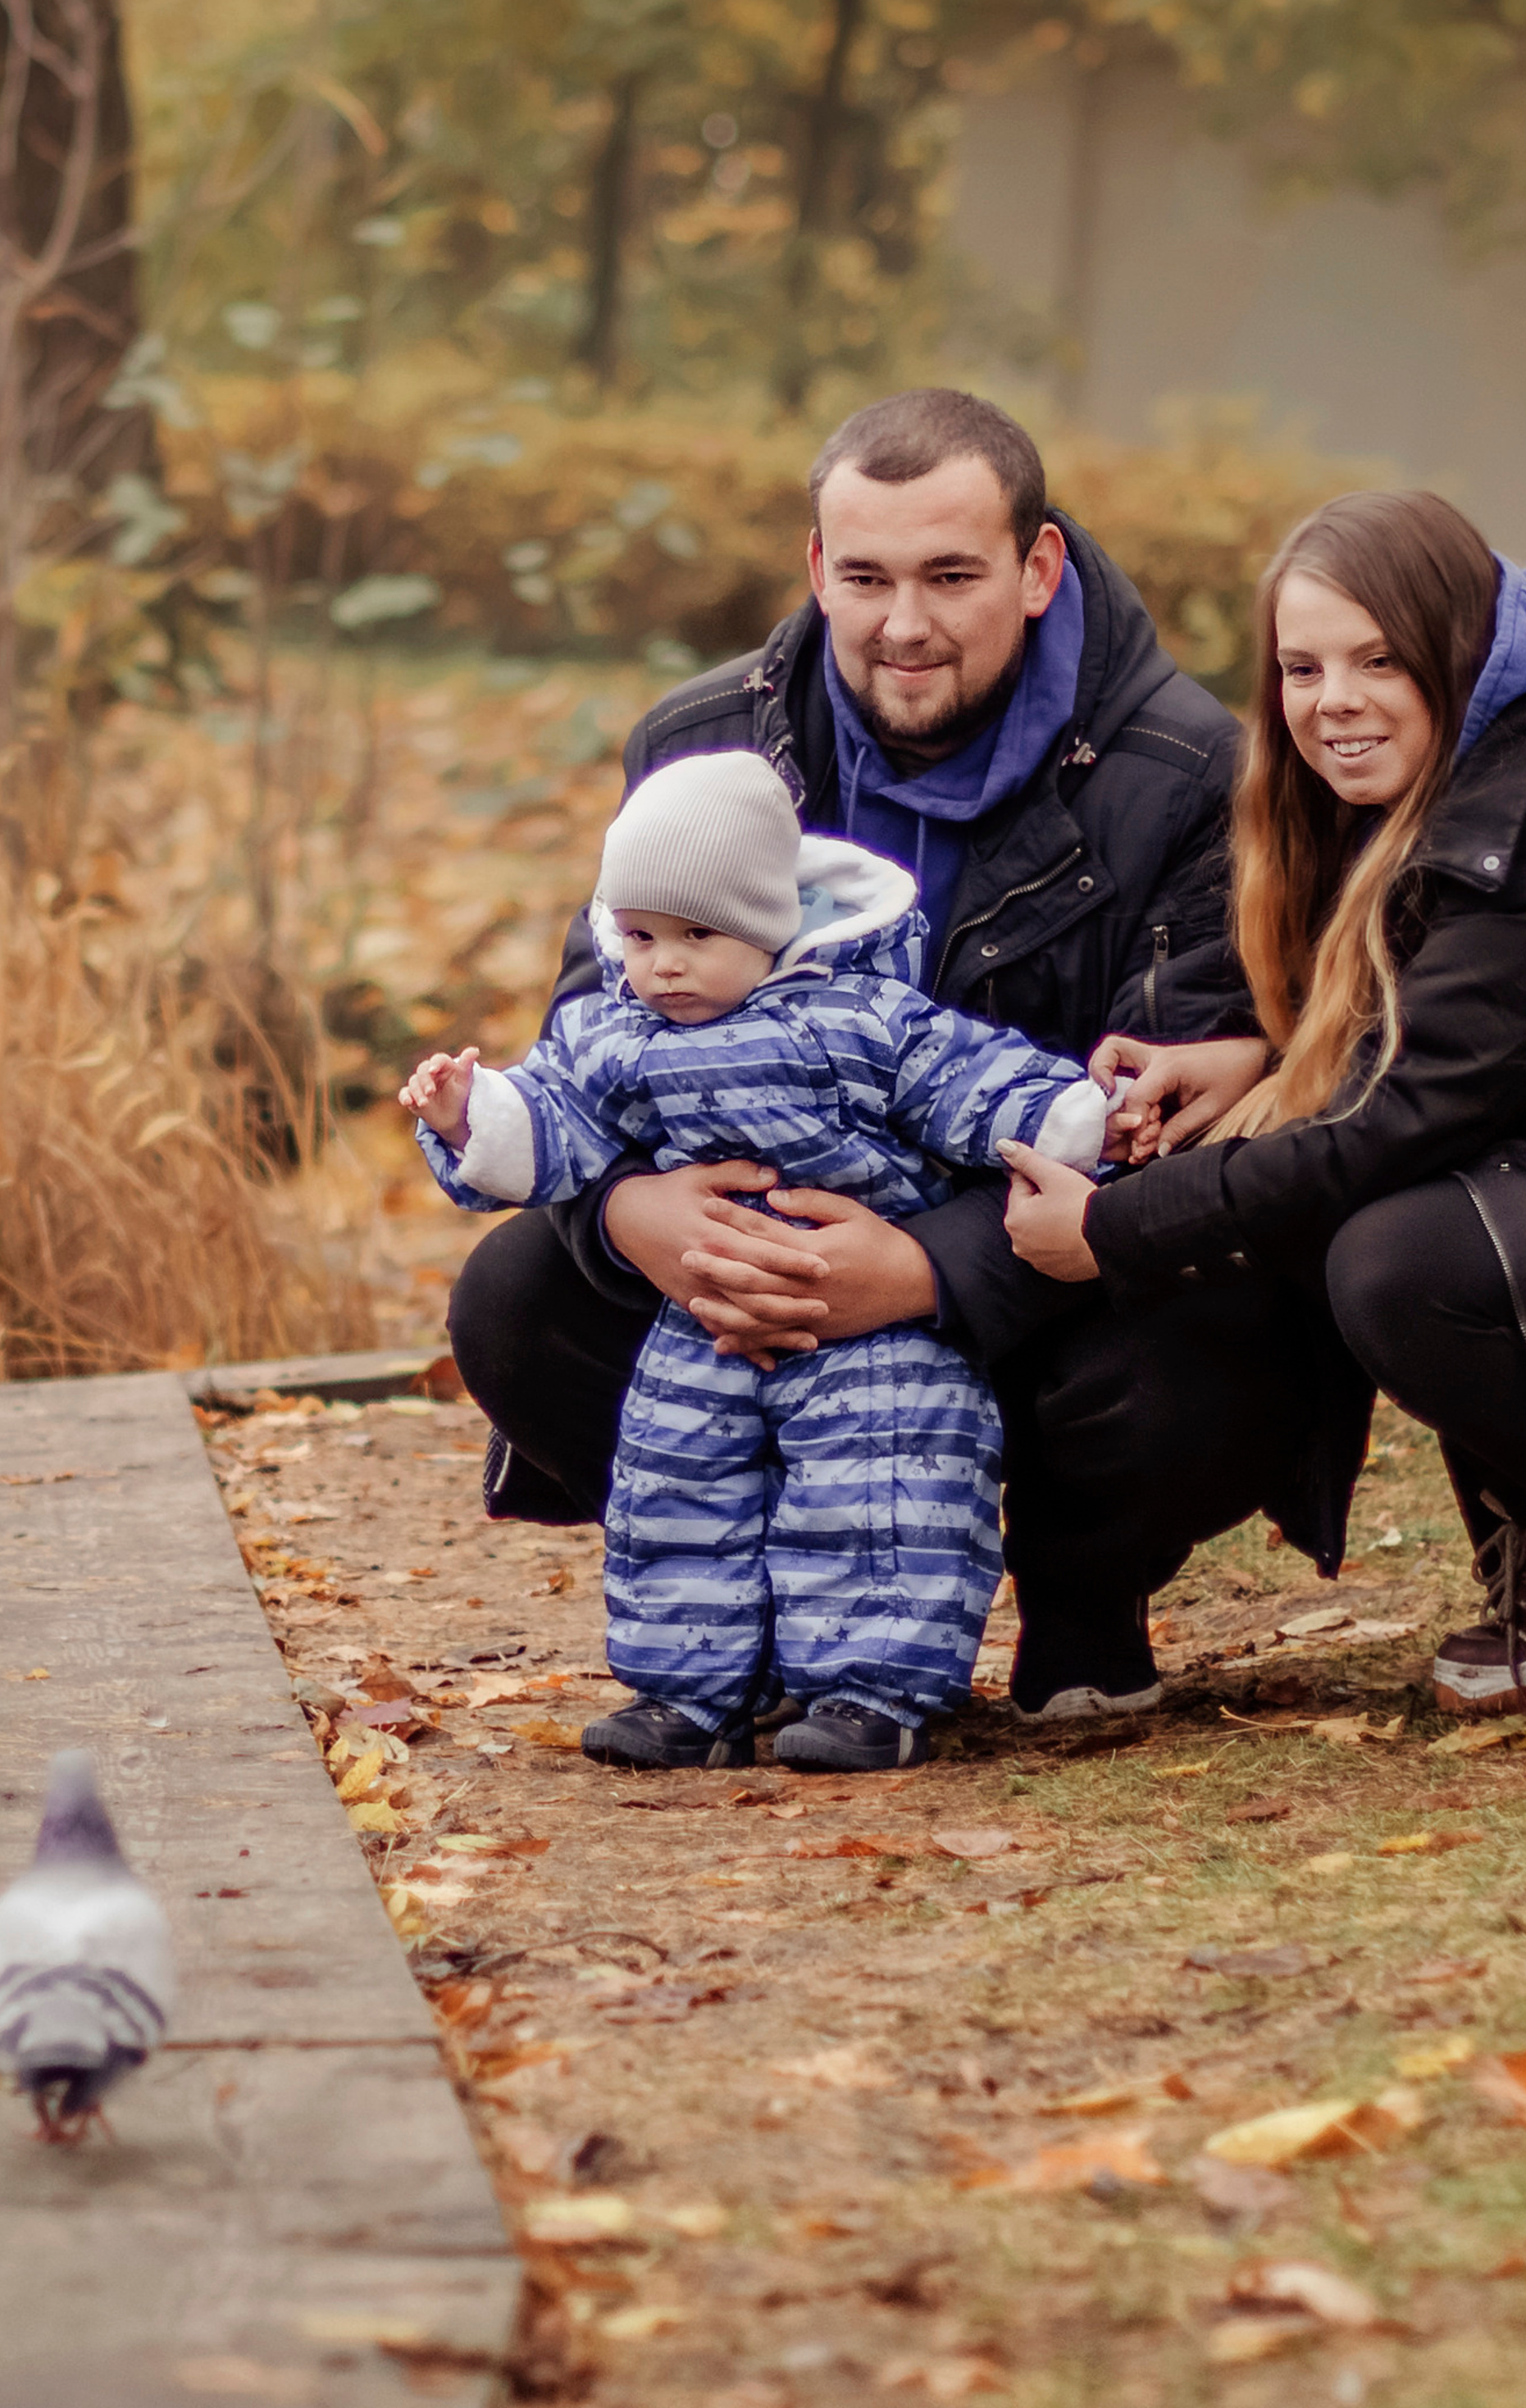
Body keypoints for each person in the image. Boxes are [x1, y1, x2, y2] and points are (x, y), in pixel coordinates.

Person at [448, 385, 1250, 1721]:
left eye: (952, 575)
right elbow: (590, 1040)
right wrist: (633, 1212)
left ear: (1038, 567)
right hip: (748, 1261)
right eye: (866, 576)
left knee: (1212, 1332)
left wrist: (928, 1266)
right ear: (818, 567)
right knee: (516, 1296)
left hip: (1046, 1261)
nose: (904, 624)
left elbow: (1167, 1126)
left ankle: (1082, 1599)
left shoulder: (1188, 773)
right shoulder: (695, 744)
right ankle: (743, 1625)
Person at [403, 751, 1114, 1773]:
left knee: (886, 1491)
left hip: (877, 1320)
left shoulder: (859, 1016)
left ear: (769, 926)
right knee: (675, 1485)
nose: (665, 966)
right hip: (708, 1320)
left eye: (698, 937)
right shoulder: (614, 1036)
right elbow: (553, 1120)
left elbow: (967, 1076)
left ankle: (872, 1692)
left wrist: (1067, 1115)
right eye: (641, 937)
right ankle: (693, 1695)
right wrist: (472, 1114)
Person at [1001, 487, 1526, 1714]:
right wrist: (1258, 1057)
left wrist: (1109, 1234)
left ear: (1460, 651)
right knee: (1408, 1231)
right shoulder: (1416, 791)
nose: (1334, 702)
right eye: (1302, 667)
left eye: (1380, 660)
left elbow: (1413, 1111)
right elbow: (1447, 1031)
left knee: (1404, 1255)